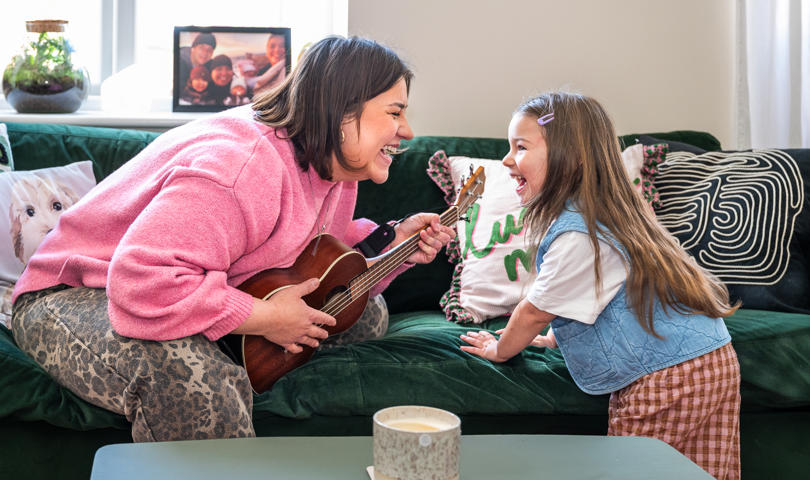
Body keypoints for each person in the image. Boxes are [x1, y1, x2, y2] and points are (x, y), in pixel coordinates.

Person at [10, 36, 454, 442]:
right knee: (195, 380)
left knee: (365, 313)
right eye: (395, 112)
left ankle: (234, 350)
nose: (407, 130)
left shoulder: (332, 165)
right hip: (73, 293)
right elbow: (139, 280)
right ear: (341, 110)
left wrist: (394, 243)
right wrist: (264, 318)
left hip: (187, 283)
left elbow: (311, 256)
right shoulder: (239, 167)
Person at [459, 91, 741, 479]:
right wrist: (556, 339)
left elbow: (535, 311)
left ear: (571, 159)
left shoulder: (581, 234)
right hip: (710, 358)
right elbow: (604, 294)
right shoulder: (609, 213)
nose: (507, 160)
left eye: (520, 147)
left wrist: (500, 349)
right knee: (701, 472)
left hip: (667, 376)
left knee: (631, 470)